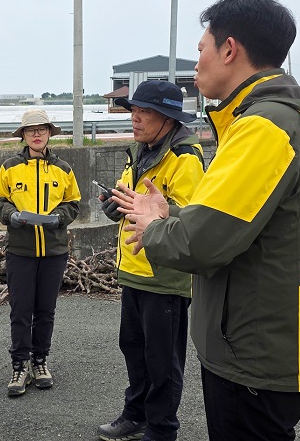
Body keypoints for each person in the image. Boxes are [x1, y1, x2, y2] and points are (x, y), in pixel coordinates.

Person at [111, 0, 300, 440]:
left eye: (201, 48)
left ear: (229, 49)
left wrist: (156, 228)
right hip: (254, 341)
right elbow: (231, 220)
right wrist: (170, 213)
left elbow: (202, 242)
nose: (197, 62)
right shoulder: (264, 121)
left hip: (253, 350)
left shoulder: (264, 127)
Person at [96, 80, 205, 441]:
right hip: (134, 269)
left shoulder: (184, 157)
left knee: (162, 361)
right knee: (134, 349)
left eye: (145, 112)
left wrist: (157, 209)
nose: (135, 118)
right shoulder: (141, 151)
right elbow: (132, 200)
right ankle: (136, 414)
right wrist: (116, 205)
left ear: (168, 119)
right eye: (134, 111)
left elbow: (193, 216)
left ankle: (161, 429)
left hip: (164, 274)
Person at [0, 109, 81, 397]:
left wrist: (59, 218)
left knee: (45, 310)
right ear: (24, 135)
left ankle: (40, 361)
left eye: (42, 129)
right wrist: (11, 215)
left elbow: (73, 203)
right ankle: (19, 365)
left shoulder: (63, 169)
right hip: (20, 251)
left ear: (49, 133)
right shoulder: (9, 167)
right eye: (31, 130)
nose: (37, 134)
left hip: (54, 251)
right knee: (20, 310)